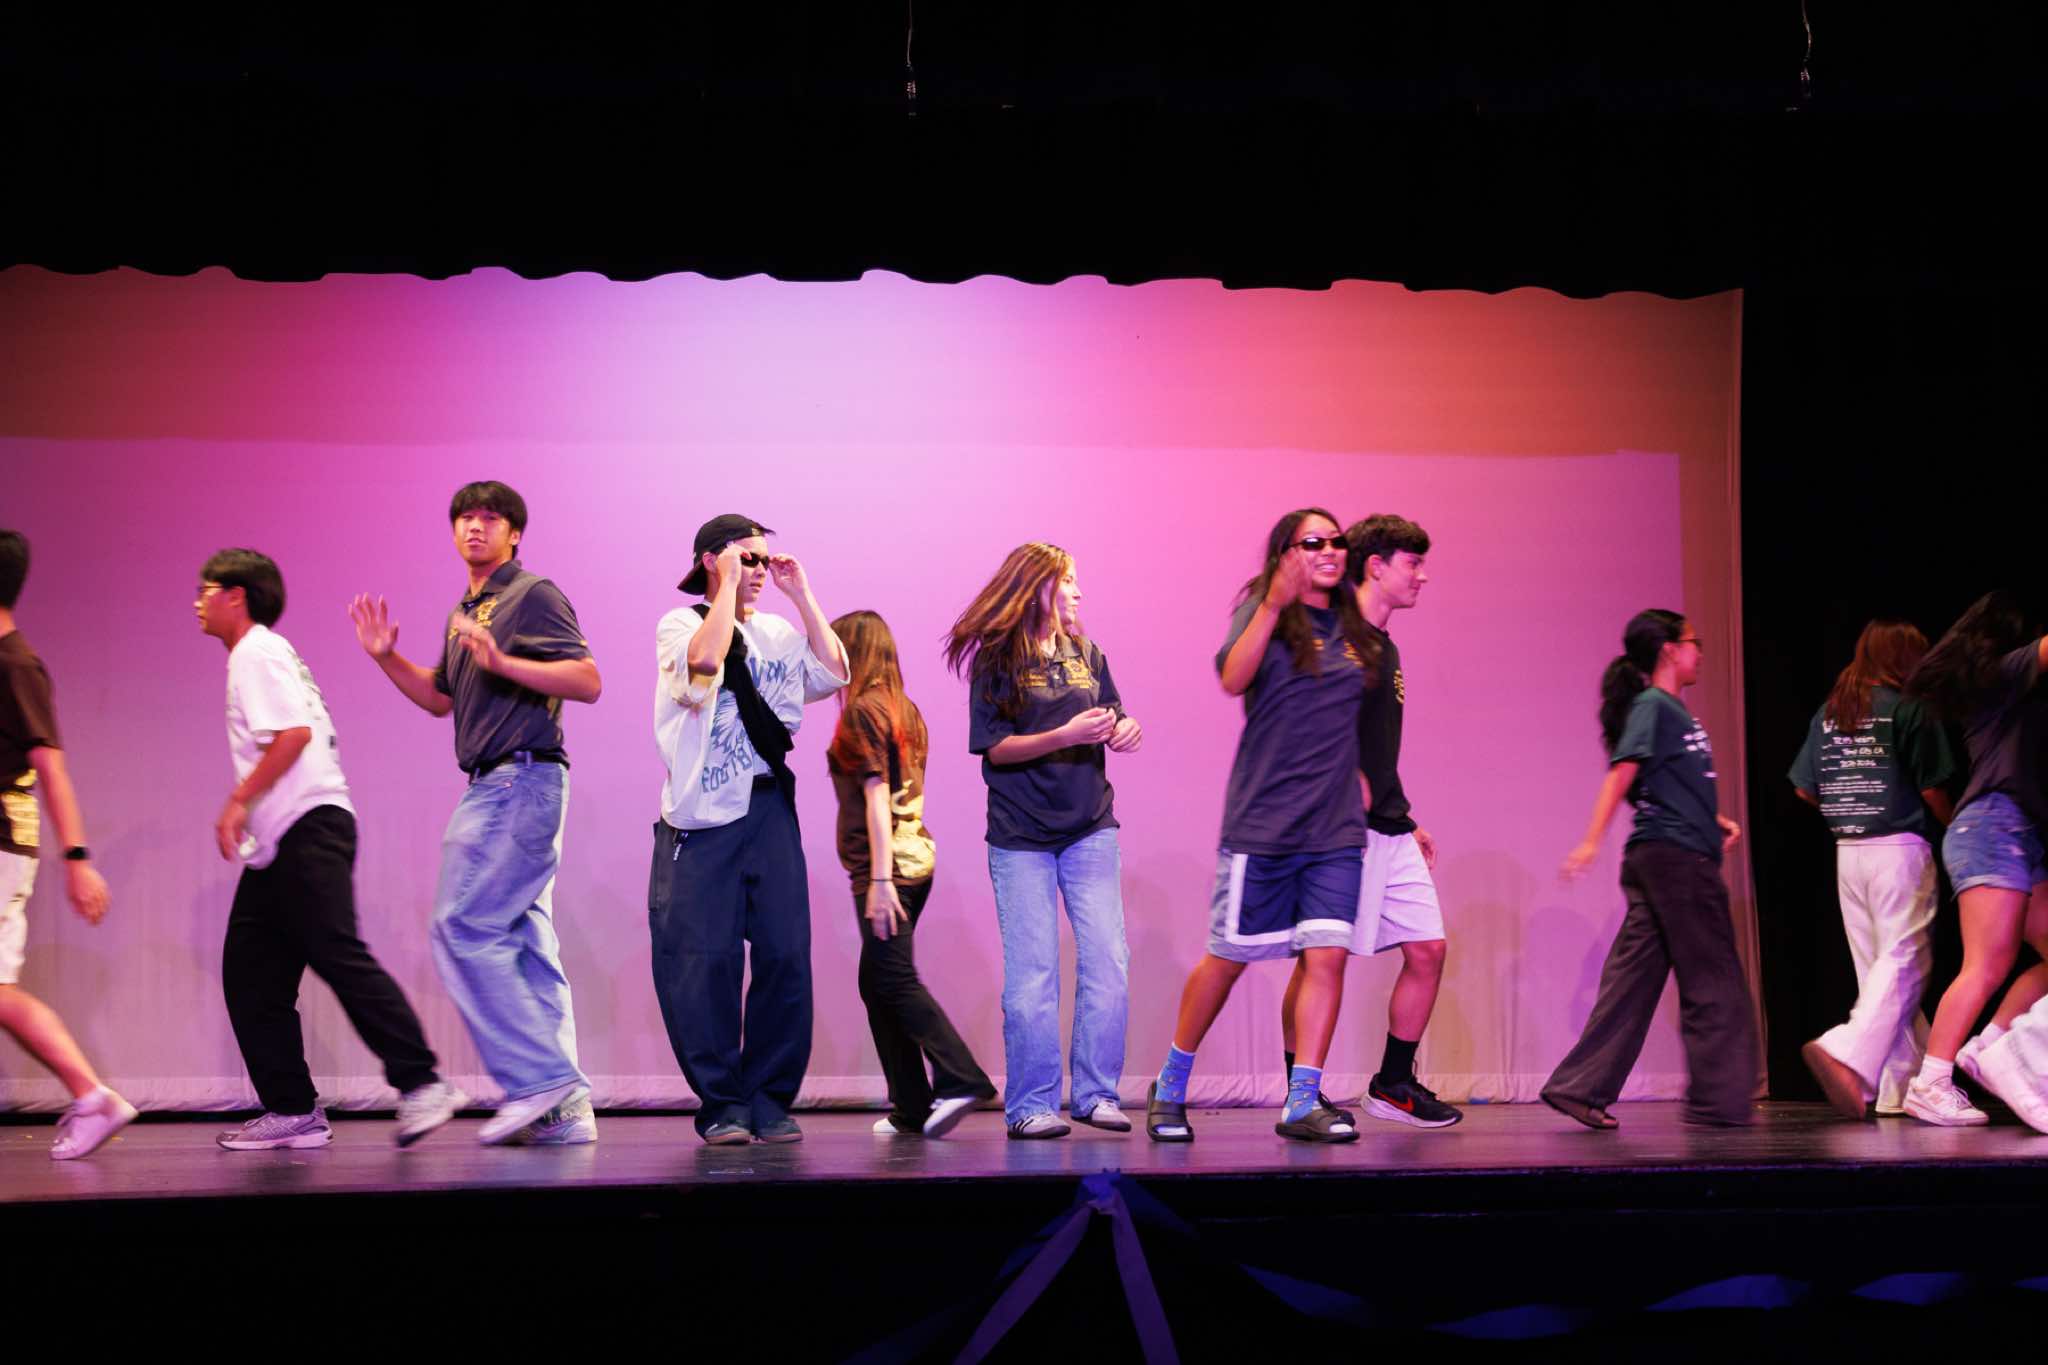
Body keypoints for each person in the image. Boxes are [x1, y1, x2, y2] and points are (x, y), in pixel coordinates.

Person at [349, 481, 602, 1146]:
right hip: (493, 781)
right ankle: (561, 1111)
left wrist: (504, 661)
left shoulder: (531, 594)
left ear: (514, 534)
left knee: (463, 925)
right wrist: (385, 657)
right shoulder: (465, 609)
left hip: (519, 777)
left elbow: (587, 680)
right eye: (465, 517)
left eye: (491, 518)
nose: (475, 527)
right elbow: (441, 699)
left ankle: (539, 1080)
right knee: (523, 942)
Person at [199, 549, 463, 1150]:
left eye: (205, 590)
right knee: (251, 974)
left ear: (236, 596)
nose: (198, 602)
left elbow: (293, 735)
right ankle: (293, 1109)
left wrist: (237, 801)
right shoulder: (262, 652)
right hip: (281, 841)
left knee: (336, 952)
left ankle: (423, 1082)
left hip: (307, 827)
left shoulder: (255, 651)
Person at [1149, 509, 1375, 1144]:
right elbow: (1232, 679)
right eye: (1313, 542)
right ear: (1285, 554)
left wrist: (1362, 780)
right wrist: (1274, 604)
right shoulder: (1262, 609)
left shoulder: (1352, 627)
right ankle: (1170, 1086)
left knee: (1327, 959)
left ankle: (1302, 1102)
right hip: (1266, 825)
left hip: (1335, 830)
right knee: (1228, 960)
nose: (1329, 551)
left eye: (1337, 542)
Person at [651, 515, 849, 1145]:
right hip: (703, 814)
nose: (762, 569)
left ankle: (768, 1098)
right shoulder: (680, 624)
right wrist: (729, 589)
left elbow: (833, 672)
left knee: (785, 953)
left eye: (766, 559)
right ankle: (723, 1103)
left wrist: (802, 594)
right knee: (703, 962)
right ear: (711, 560)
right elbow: (705, 663)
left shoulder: (778, 632)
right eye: (749, 558)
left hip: (767, 807)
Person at [943, 543, 1139, 1139]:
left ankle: (1096, 1095)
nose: (1078, 591)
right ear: (1036, 589)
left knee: (1108, 962)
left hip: (1090, 828)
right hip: (1021, 835)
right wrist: (1064, 734)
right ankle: (1031, 1104)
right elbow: (995, 748)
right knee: (1034, 975)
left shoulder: (1086, 653)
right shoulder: (997, 659)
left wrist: (1123, 728)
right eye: (1067, 580)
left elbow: (1112, 714)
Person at [1278, 513, 1461, 1130]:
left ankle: (1393, 1084)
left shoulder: (1387, 647)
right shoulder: (1330, 637)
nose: (1422, 576)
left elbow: (1375, 746)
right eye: (1413, 564)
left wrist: (1404, 817)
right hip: (1335, 830)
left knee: (1428, 949)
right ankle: (1300, 1093)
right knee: (1319, 962)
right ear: (1376, 567)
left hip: (1389, 825)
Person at [1544, 609, 1755, 1129]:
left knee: (1633, 981)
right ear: (1669, 650)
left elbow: (1659, 784)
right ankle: (1719, 1103)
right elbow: (1623, 773)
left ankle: (1580, 1086)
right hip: (1676, 862)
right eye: (1694, 642)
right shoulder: (1654, 706)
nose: (1700, 652)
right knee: (1714, 979)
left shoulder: (1670, 711)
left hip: (1666, 855)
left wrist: (1713, 819)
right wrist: (1591, 841)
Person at [825, 609, 996, 1138]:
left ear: (852, 653)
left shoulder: (862, 713)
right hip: (915, 861)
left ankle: (961, 1077)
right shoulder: (905, 708)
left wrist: (879, 881)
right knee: (876, 982)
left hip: (889, 871)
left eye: (833, 650)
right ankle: (911, 1105)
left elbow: (877, 796)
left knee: (892, 979)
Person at [0, 529, 135, 1160]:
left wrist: (78, 858)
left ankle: (91, 1094)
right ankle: (90, 1095)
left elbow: (50, 768)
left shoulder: (16, 665)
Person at [1788, 619, 1956, 1118]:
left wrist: (1851, 807)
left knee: (1878, 972)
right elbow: (1932, 786)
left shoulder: (1831, 712)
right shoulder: (1908, 708)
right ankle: (1845, 1051)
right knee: (1905, 961)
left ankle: (1898, 1086)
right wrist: (1954, 826)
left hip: (1849, 850)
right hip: (1898, 849)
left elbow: (1804, 788)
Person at [1898, 591, 2048, 1126]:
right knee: (1986, 963)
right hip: (1992, 828)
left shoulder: (2003, 687)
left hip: (2017, 833)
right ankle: (1931, 1082)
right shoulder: (2007, 673)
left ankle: (1991, 1047)